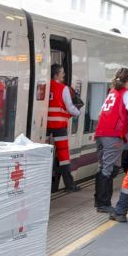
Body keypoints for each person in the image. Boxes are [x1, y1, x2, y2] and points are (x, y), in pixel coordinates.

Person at [93, 68, 128, 212]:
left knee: (103, 167)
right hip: (113, 135)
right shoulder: (127, 93)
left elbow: (100, 114)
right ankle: (104, 204)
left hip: (100, 133)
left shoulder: (112, 92)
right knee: (108, 169)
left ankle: (99, 201)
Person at [46, 63, 82, 192]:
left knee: (44, 153)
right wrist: (78, 112)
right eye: (62, 73)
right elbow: (70, 107)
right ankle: (69, 185)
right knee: (63, 156)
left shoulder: (46, 86)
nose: (64, 75)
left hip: (45, 127)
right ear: (56, 74)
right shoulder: (63, 88)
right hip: (59, 126)